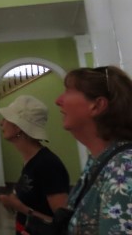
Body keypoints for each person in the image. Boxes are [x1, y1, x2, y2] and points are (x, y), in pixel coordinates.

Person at [56, 65, 132, 234]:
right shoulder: (100, 159)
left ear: (97, 106)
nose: (58, 100)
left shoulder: (124, 168)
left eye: (68, 91)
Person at [0, 95, 69, 235]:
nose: (1, 123)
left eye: (6, 119)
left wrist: (22, 208)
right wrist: (12, 202)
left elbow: (62, 223)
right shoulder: (31, 160)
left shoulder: (48, 165)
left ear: (18, 127)